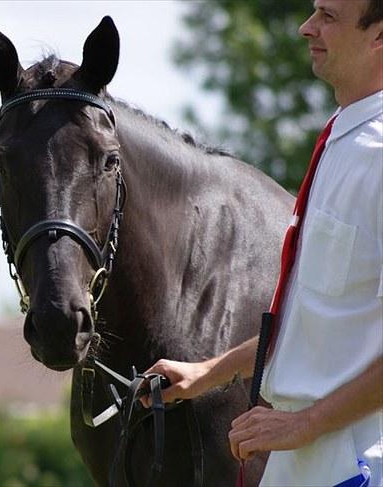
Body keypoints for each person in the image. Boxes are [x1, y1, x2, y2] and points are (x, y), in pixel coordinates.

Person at [141, 0, 383, 485]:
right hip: (302, 459)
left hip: (354, 465)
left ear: (378, 36)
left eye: (328, 16)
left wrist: (304, 423)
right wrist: (206, 374)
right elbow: (307, 321)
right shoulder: (343, 134)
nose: (305, 27)